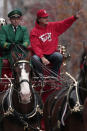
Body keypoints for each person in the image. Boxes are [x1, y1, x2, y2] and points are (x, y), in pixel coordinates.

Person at [30, 9, 82, 77]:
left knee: (59, 56)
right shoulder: (34, 32)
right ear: (39, 19)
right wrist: (42, 57)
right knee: (34, 59)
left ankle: (53, 76)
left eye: (47, 17)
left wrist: (74, 18)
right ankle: (40, 76)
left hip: (51, 54)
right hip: (40, 56)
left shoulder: (52, 26)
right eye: (44, 17)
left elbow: (64, 23)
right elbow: (36, 46)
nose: (47, 19)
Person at [0, 9, 30, 77]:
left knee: (29, 58)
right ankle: (15, 76)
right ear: (10, 19)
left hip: (21, 51)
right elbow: (2, 42)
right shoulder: (4, 28)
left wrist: (23, 45)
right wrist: (9, 45)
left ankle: (30, 77)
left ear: (20, 20)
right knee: (14, 58)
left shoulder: (23, 29)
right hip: (9, 52)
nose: (16, 20)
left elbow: (27, 41)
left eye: (18, 18)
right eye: (13, 18)